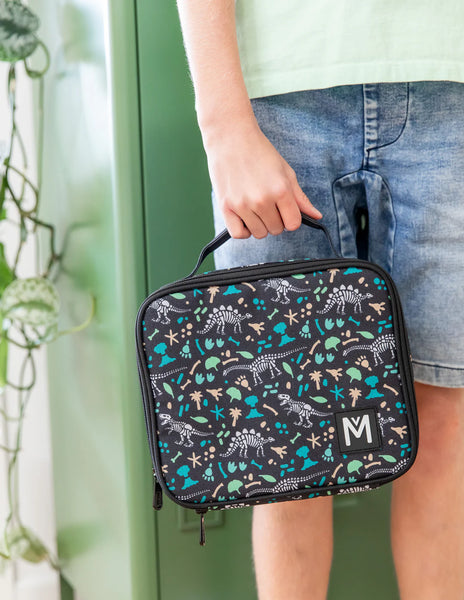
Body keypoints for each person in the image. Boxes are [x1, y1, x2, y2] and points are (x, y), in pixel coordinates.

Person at [175, 2, 464, 598]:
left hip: (451, 83)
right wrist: (223, 126)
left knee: (447, 424)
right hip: (278, 94)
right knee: (286, 436)